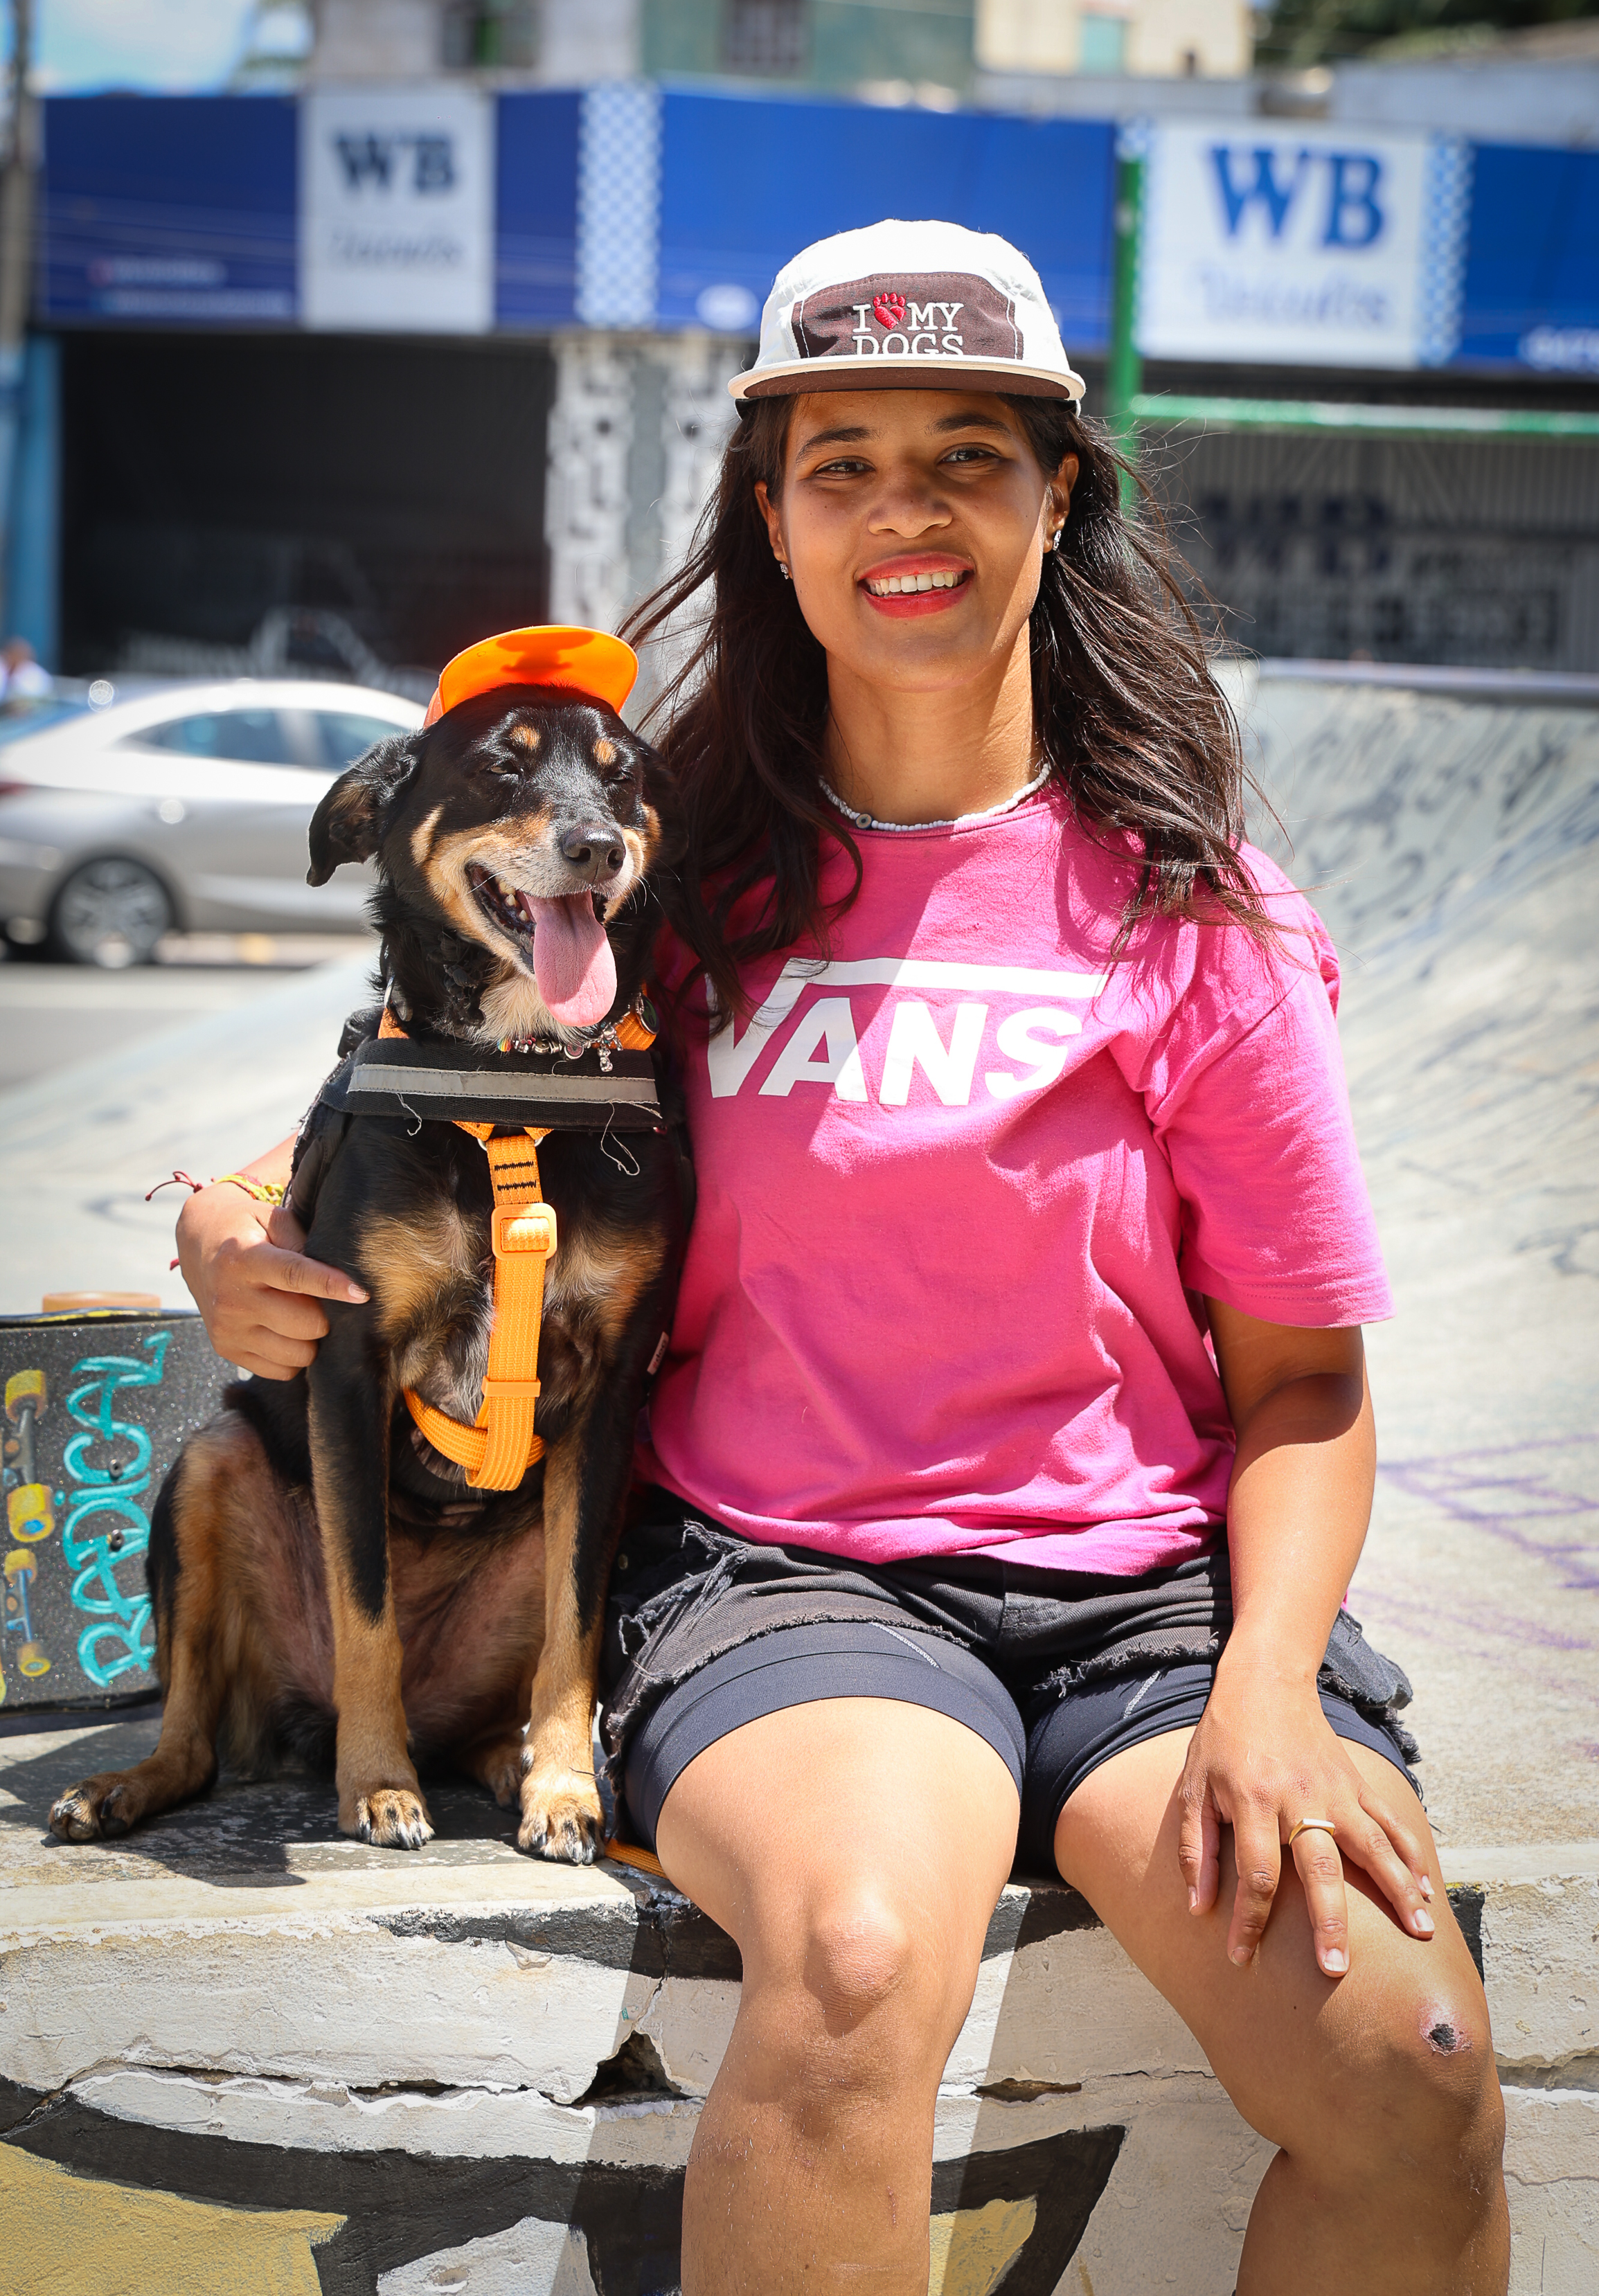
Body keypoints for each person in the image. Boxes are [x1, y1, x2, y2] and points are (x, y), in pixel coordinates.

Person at [177, 220, 1507, 2295]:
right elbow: (418, 1090)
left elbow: (1310, 1384)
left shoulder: (1199, 911)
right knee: (861, 1956)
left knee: (1409, 2063)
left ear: (1058, 498)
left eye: (969, 456)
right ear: (773, 521)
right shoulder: (685, 880)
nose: (907, 509)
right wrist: (220, 1209)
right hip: (792, 1580)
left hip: (1153, 1611)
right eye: (844, 460)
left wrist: (1269, 1692)